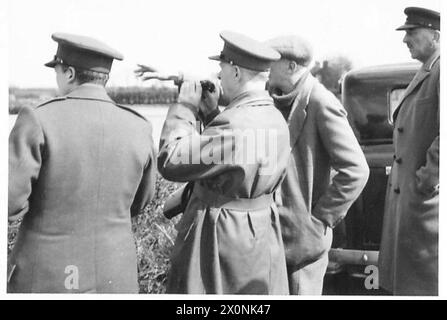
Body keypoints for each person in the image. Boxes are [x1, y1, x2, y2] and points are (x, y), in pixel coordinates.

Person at [8, 33, 157, 293]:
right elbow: (141, 201)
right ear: (104, 78)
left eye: (57, 70)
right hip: (115, 273)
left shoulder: (38, 119)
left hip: (47, 275)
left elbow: (9, 201)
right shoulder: (139, 126)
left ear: (69, 73)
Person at [157, 30, 291, 294]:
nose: (219, 76)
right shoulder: (274, 117)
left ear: (237, 73)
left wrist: (184, 107)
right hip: (258, 235)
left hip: (221, 235)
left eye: (223, 68)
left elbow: (170, 160)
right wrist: (210, 114)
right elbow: (231, 158)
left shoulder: (234, 124)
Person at [265, 35, 369, 295]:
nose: (265, 68)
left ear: (291, 67)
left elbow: (356, 171)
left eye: (271, 62)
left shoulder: (321, 101)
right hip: (277, 241)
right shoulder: (280, 97)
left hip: (303, 246)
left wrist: (320, 219)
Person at [379, 7, 440, 296]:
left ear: (436, 35)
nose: (406, 40)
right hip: (413, 207)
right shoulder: (430, 68)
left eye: (412, 33)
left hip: (426, 207)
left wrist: (427, 180)